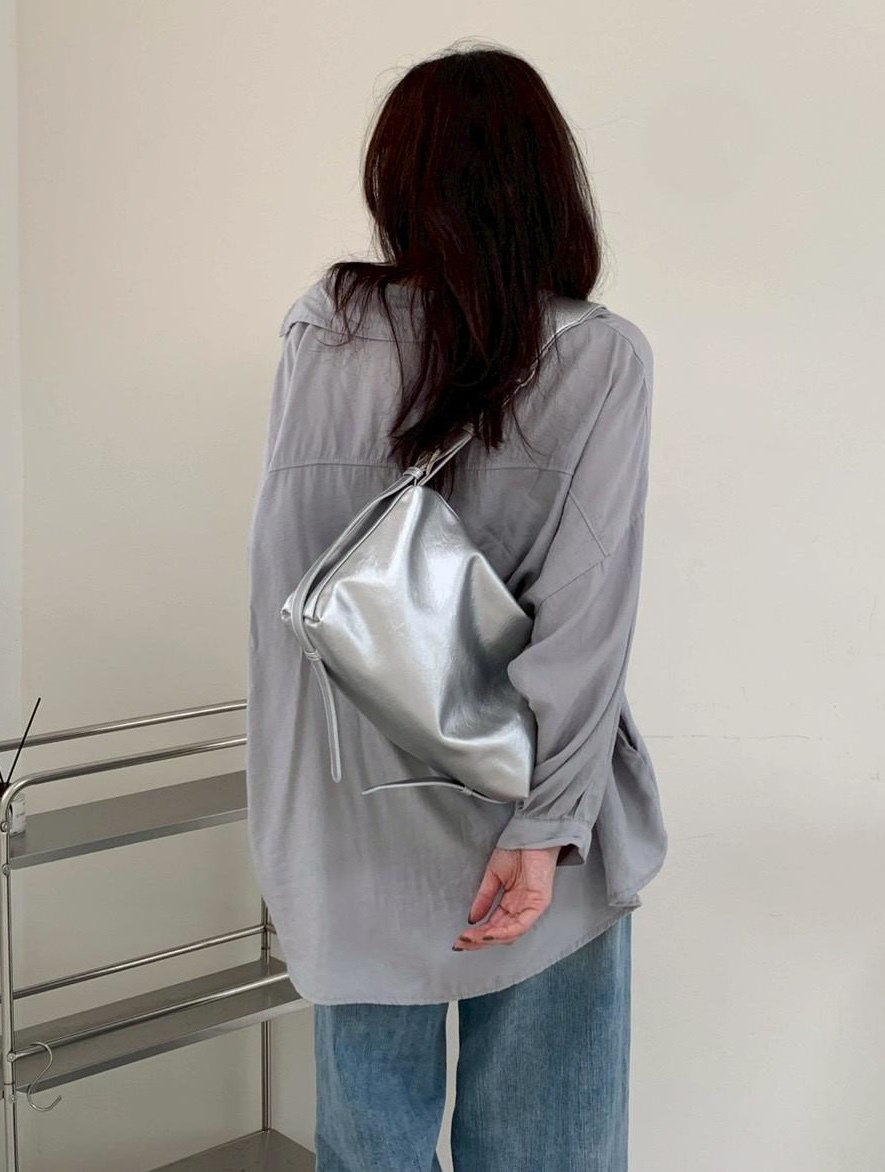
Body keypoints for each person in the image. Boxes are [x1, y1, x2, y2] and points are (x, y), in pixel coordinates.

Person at [246, 39, 668, 1172]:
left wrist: (291, 833)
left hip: (352, 821)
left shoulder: (321, 333)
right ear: (548, 180)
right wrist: (547, 828)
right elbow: (587, 619)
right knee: (544, 1150)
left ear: (397, 181)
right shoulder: (597, 358)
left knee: (366, 1149)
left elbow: (284, 595)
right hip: (522, 809)